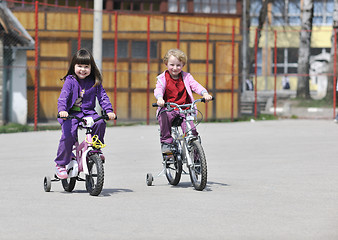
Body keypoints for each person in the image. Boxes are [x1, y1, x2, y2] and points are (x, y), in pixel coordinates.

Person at [54, 48, 116, 179]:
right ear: (73, 66)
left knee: (99, 122)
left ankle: (96, 149)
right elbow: (63, 97)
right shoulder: (70, 80)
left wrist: (109, 111)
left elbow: (103, 97)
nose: (82, 69)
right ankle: (61, 164)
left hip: (88, 112)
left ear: (91, 67)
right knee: (68, 136)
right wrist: (62, 110)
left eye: (86, 66)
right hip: (71, 113)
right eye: (79, 66)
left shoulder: (94, 81)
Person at [154, 48, 213, 153]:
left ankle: (197, 159)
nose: (175, 68)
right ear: (166, 64)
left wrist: (204, 93)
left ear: (183, 65)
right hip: (169, 108)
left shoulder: (186, 77)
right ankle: (166, 142)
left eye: (178, 65)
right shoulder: (162, 78)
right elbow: (159, 89)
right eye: (172, 65)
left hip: (185, 109)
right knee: (164, 116)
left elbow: (195, 86)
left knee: (192, 133)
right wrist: (159, 98)